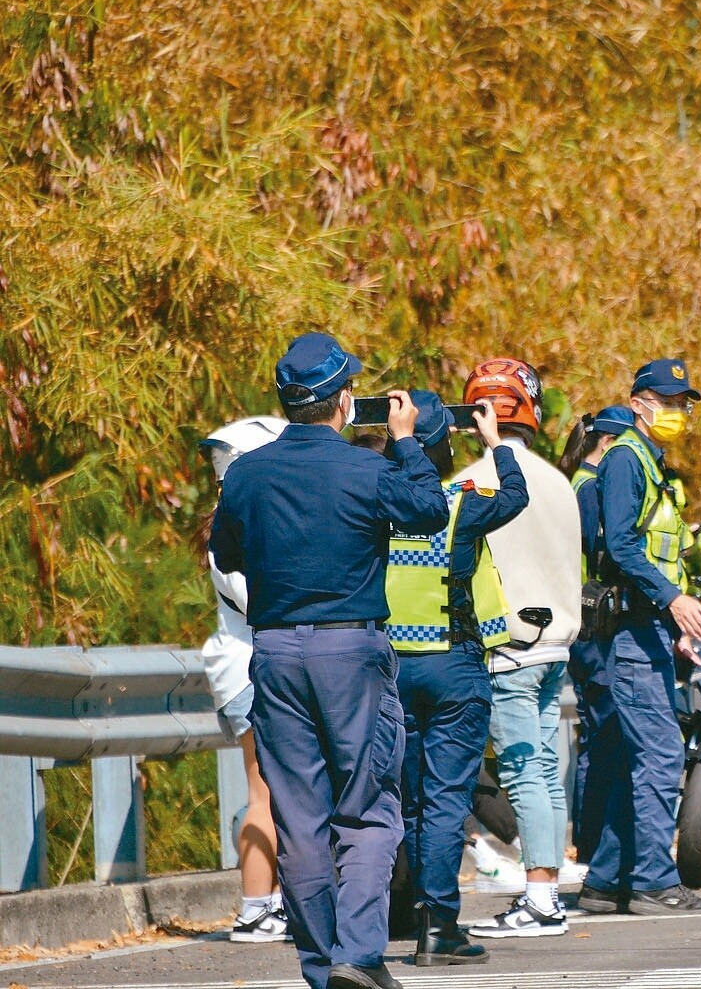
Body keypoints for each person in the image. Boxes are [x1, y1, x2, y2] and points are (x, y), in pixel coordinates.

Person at [209, 332, 448, 989]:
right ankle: (359, 955)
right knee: (368, 806)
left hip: (276, 649)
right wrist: (406, 441)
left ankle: (320, 966)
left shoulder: (247, 473)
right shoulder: (368, 469)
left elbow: (226, 554)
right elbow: (428, 511)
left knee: (298, 814)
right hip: (351, 648)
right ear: (346, 400)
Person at [385, 391, 528, 965]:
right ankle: (439, 927)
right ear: (444, 447)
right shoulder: (459, 503)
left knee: (413, 802)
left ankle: (414, 914)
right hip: (453, 667)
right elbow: (517, 494)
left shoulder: (374, 504)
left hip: (392, 669)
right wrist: (496, 443)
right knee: (446, 800)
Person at [578, 358, 701, 916]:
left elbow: (658, 549)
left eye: (685, 403)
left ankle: (606, 879)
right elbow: (624, 550)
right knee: (659, 757)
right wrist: (672, 601)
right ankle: (654, 882)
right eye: (671, 400)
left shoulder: (649, 462)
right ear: (640, 403)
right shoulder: (626, 460)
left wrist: (675, 619)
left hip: (649, 628)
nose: (681, 411)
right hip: (633, 630)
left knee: (627, 754)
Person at [456, 358, 587, 938]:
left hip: (508, 646)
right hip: (557, 644)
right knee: (544, 771)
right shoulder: (559, 479)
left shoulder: (467, 483)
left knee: (521, 770)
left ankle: (538, 899)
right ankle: (549, 892)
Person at [199, 416, 292, 945]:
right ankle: (255, 908)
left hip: (248, 668)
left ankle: (269, 902)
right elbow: (261, 605)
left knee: (272, 793)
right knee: (263, 795)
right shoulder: (233, 530)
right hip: (250, 670)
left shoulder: (234, 519)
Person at [559, 404, 636, 863]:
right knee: (603, 735)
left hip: (585, 625)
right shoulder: (589, 489)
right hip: (594, 627)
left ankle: (591, 843)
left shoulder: (577, 484)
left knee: (596, 734)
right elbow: (598, 553)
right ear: (606, 443)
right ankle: (592, 846)